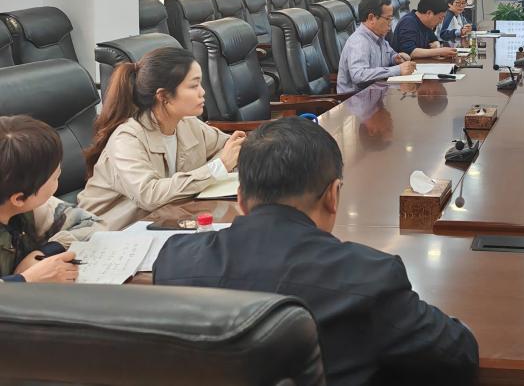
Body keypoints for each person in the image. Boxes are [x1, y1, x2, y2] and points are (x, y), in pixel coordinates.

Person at [154, 117, 479, 386]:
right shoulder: (370, 277)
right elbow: (458, 356)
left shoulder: (175, 262)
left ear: (239, 199)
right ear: (333, 195)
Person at [77, 47, 246, 231]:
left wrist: (228, 159)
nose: (202, 92)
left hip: (163, 224)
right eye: (193, 86)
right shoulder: (127, 138)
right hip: (110, 234)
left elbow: (230, 147)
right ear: (163, 96)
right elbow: (149, 195)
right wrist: (218, 167)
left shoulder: (187, 123)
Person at [1, 116, 101, 283]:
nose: (58, 180)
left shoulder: (29, 209)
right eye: (55, 178)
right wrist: (26, 279)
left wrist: (44, 252)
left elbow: (91, 224)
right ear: (19, 199)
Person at [336, 0, 416, 95]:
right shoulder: (359, 42)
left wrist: (396, 58)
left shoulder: (379, 36)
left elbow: (389, 54)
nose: (391, 23)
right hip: (355, 99)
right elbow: (358, 75)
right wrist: (397, 70)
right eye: (388, 19)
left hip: (375, 93)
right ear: (371, 18)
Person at [394, 0, 459, 59]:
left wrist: (437, 44)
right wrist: (439, 51)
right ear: (429, 13)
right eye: (440, 18)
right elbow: (410, 52)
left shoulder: (426, 24)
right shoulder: (408, 22)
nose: (440, 22)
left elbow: (434, 40)